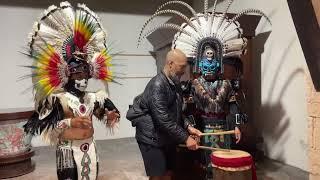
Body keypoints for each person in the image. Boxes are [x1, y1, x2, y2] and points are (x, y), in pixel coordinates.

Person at [22, 2, 120, 179]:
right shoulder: (58, 100)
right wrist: (69, 123)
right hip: (67, 149)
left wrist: (111, 116)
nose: (82, 80)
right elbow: (43, 124)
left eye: (85, 75)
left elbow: (108, 113)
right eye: (78, 75)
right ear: (67, 75)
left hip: (89, 147)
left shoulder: (94, 98)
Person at [127, 49, 202, 180]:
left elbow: (176, 112)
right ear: (170, 63)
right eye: (182, 66)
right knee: (157, 176)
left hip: (166, 136)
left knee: (168, 173)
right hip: (151, 138)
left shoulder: (175, 82)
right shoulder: (157, 84)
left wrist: (189, 127)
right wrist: (185, 138)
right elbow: (163, 119)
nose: (184, 70)